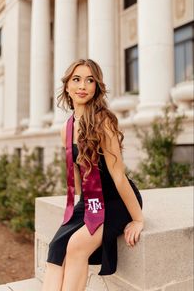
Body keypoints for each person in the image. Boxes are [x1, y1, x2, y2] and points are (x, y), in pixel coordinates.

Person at [42, 59, 144, 291]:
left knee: (77, 246)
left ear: (96, 87)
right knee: (56, 247)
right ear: (67, 86)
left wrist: (137, 219)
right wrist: (79, 210)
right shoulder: (66, 128)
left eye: (90, 80)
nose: (83, 85)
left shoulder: (103, 122)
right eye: (76, 79)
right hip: (89, 200)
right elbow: (76, 173)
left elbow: (118, 176)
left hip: (116, 200)